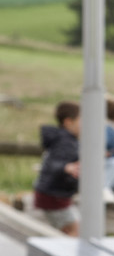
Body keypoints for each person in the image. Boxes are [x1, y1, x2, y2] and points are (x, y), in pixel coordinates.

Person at [33, 100, 82, 235]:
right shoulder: (64, 142)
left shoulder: (67, 140)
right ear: (68, 122)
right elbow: (52, 164)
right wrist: (66, 167)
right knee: (75, 229)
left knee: (71, 228)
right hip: (53, 196)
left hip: (57, 195)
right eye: (82, 121)